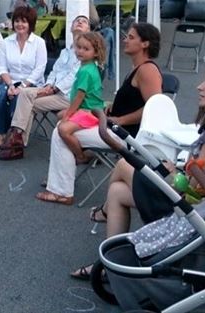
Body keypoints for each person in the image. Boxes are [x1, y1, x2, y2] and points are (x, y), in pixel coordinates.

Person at [71, 63, 205, 280]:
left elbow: (192, 188)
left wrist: (176, 173)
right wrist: (177, 171)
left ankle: (105, 213)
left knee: (124, 165)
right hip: (190, 205)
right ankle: (110, 266)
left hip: (189, 210)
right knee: (118, 191)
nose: (200, 87)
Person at [36, 22, 163, 205]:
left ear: (145, 44)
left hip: (125, 135)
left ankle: (62, 190)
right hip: (113, 126)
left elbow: (154, 107)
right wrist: (110, 109)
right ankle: (65, 178)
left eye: (131, 37)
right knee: (62, 128)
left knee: (60, 131)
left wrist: (120, 119)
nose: (125, 40)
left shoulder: (147, 70)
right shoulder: (137, 69)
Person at [0, 15, 91, 160]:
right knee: (24, 93)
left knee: (27, 100)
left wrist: (53, 89)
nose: (79, 22)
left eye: (84, 21)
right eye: (77, 20)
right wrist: (48, 85)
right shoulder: (65, 51)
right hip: (52, 91)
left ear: (88, 30)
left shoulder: (86, 52)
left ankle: (16, 142)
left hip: (69, 96)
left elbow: (74, 76)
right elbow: (54, 71)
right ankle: (17, 142)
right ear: (71, 27)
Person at [0, 5, 47, 151]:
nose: (20, 24)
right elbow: (2, 68)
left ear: (31, 24)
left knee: (18, 98)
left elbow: (39, 69)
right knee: (0, 94)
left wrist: (22, 86)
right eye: (17, 21)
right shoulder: (6, 42)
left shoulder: (39, 43)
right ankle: (0, 134)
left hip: (31, 83)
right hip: (10, 80)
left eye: (24, 21)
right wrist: (11, 85)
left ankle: (10, 135)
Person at [58, 31, 106, 164]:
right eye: (78, 47)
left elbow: (79, 97)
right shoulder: (88, 67)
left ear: (95, 53)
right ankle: (82, 147)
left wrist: (69, 114)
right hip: (89, 108)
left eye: (86, 49)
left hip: (89, 111)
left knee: (63, 129)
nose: (80, 51)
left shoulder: (85, 71)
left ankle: (80, 155)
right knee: (59, 116)